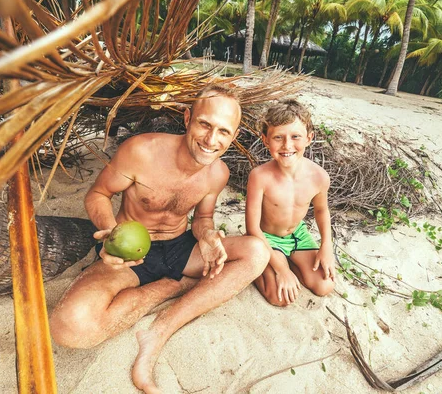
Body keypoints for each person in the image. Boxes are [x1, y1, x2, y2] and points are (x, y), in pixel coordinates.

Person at [50, 84, 270, 393]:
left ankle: (163, 326)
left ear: (232, 137)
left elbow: (203, 219)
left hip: (179, 248)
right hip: (129, 256)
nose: (211, 140)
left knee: (258, 251)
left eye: (223, 131)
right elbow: (98, 194)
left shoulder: (217, 173)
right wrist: (111, 232)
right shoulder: (141, 151)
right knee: (70, 327)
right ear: (187, 117)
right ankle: (175, 286)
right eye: (205, 124)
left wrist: (207, 236)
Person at [245, 99, 335, 307]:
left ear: (309, 138)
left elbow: (321, 211)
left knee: (325, 286)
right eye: (278, 137)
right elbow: (252, 228)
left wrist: (326, 246)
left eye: (295, 137)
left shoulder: (319, 176)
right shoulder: (259, 176)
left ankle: (289, 262)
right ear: (266, 140)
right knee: (279, 298)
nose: (287, 145)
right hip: (266, 238)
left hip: (298, 237)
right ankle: (271, 264)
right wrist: (281, 269)